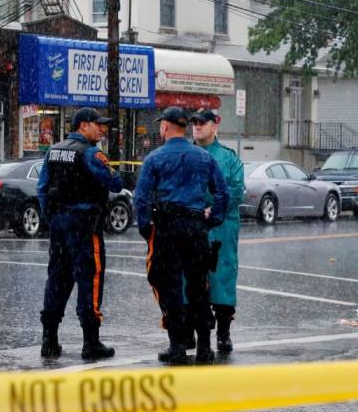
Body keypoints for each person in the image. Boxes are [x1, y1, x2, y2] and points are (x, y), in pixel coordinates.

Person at [134, 106, 229, 365]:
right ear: (184, 127)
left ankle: (177, 346)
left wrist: (147, 229)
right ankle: (204, 348)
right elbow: (222, 192)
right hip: (195, 226)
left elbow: (141, 198)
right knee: (199, 286)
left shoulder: (155, 158)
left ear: (165, 126)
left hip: (167, 227)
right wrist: (212, 220)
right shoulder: (203, 157)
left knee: (170, 287)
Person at [37, 107, 123, 360]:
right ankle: (91, 341)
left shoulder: (53, 151)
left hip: (59, 224)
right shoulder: (90, 152)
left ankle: (49, 339)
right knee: (90, 279)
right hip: (84, 224)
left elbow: (42, 189)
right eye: (98, 125)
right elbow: (115, 183)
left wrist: (52, 217)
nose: (102, 129)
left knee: (57, 279)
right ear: (83, 126)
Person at [190, 109, 245, 353]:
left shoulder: (229, 158)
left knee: (222, 278)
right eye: (194, 123)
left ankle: (223, 332)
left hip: (222, 227)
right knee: (189, 279)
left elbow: (235, 190)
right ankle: (190, 331)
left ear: (215, 126)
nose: (197, 127)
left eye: (202, 123)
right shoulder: (186, 153)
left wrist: (213, 210)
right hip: (192, 225)